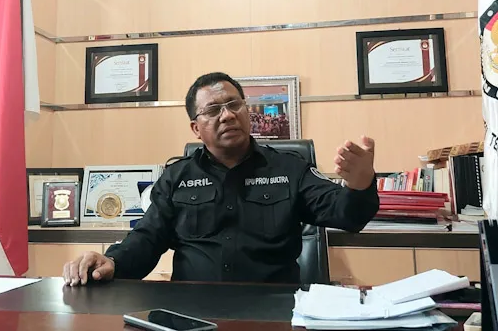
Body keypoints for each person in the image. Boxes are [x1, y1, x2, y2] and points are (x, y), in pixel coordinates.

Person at [63, 72, 379, 286]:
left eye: (233, 105)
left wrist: (360, 184)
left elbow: (348, 215)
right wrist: (112, 261)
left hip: (273, 311)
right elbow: (147, 239)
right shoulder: (177, 178)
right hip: (194, 311)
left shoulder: (288, 168)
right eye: (213, 110)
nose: (227, 115)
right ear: (195, 128)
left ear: (246, 111)